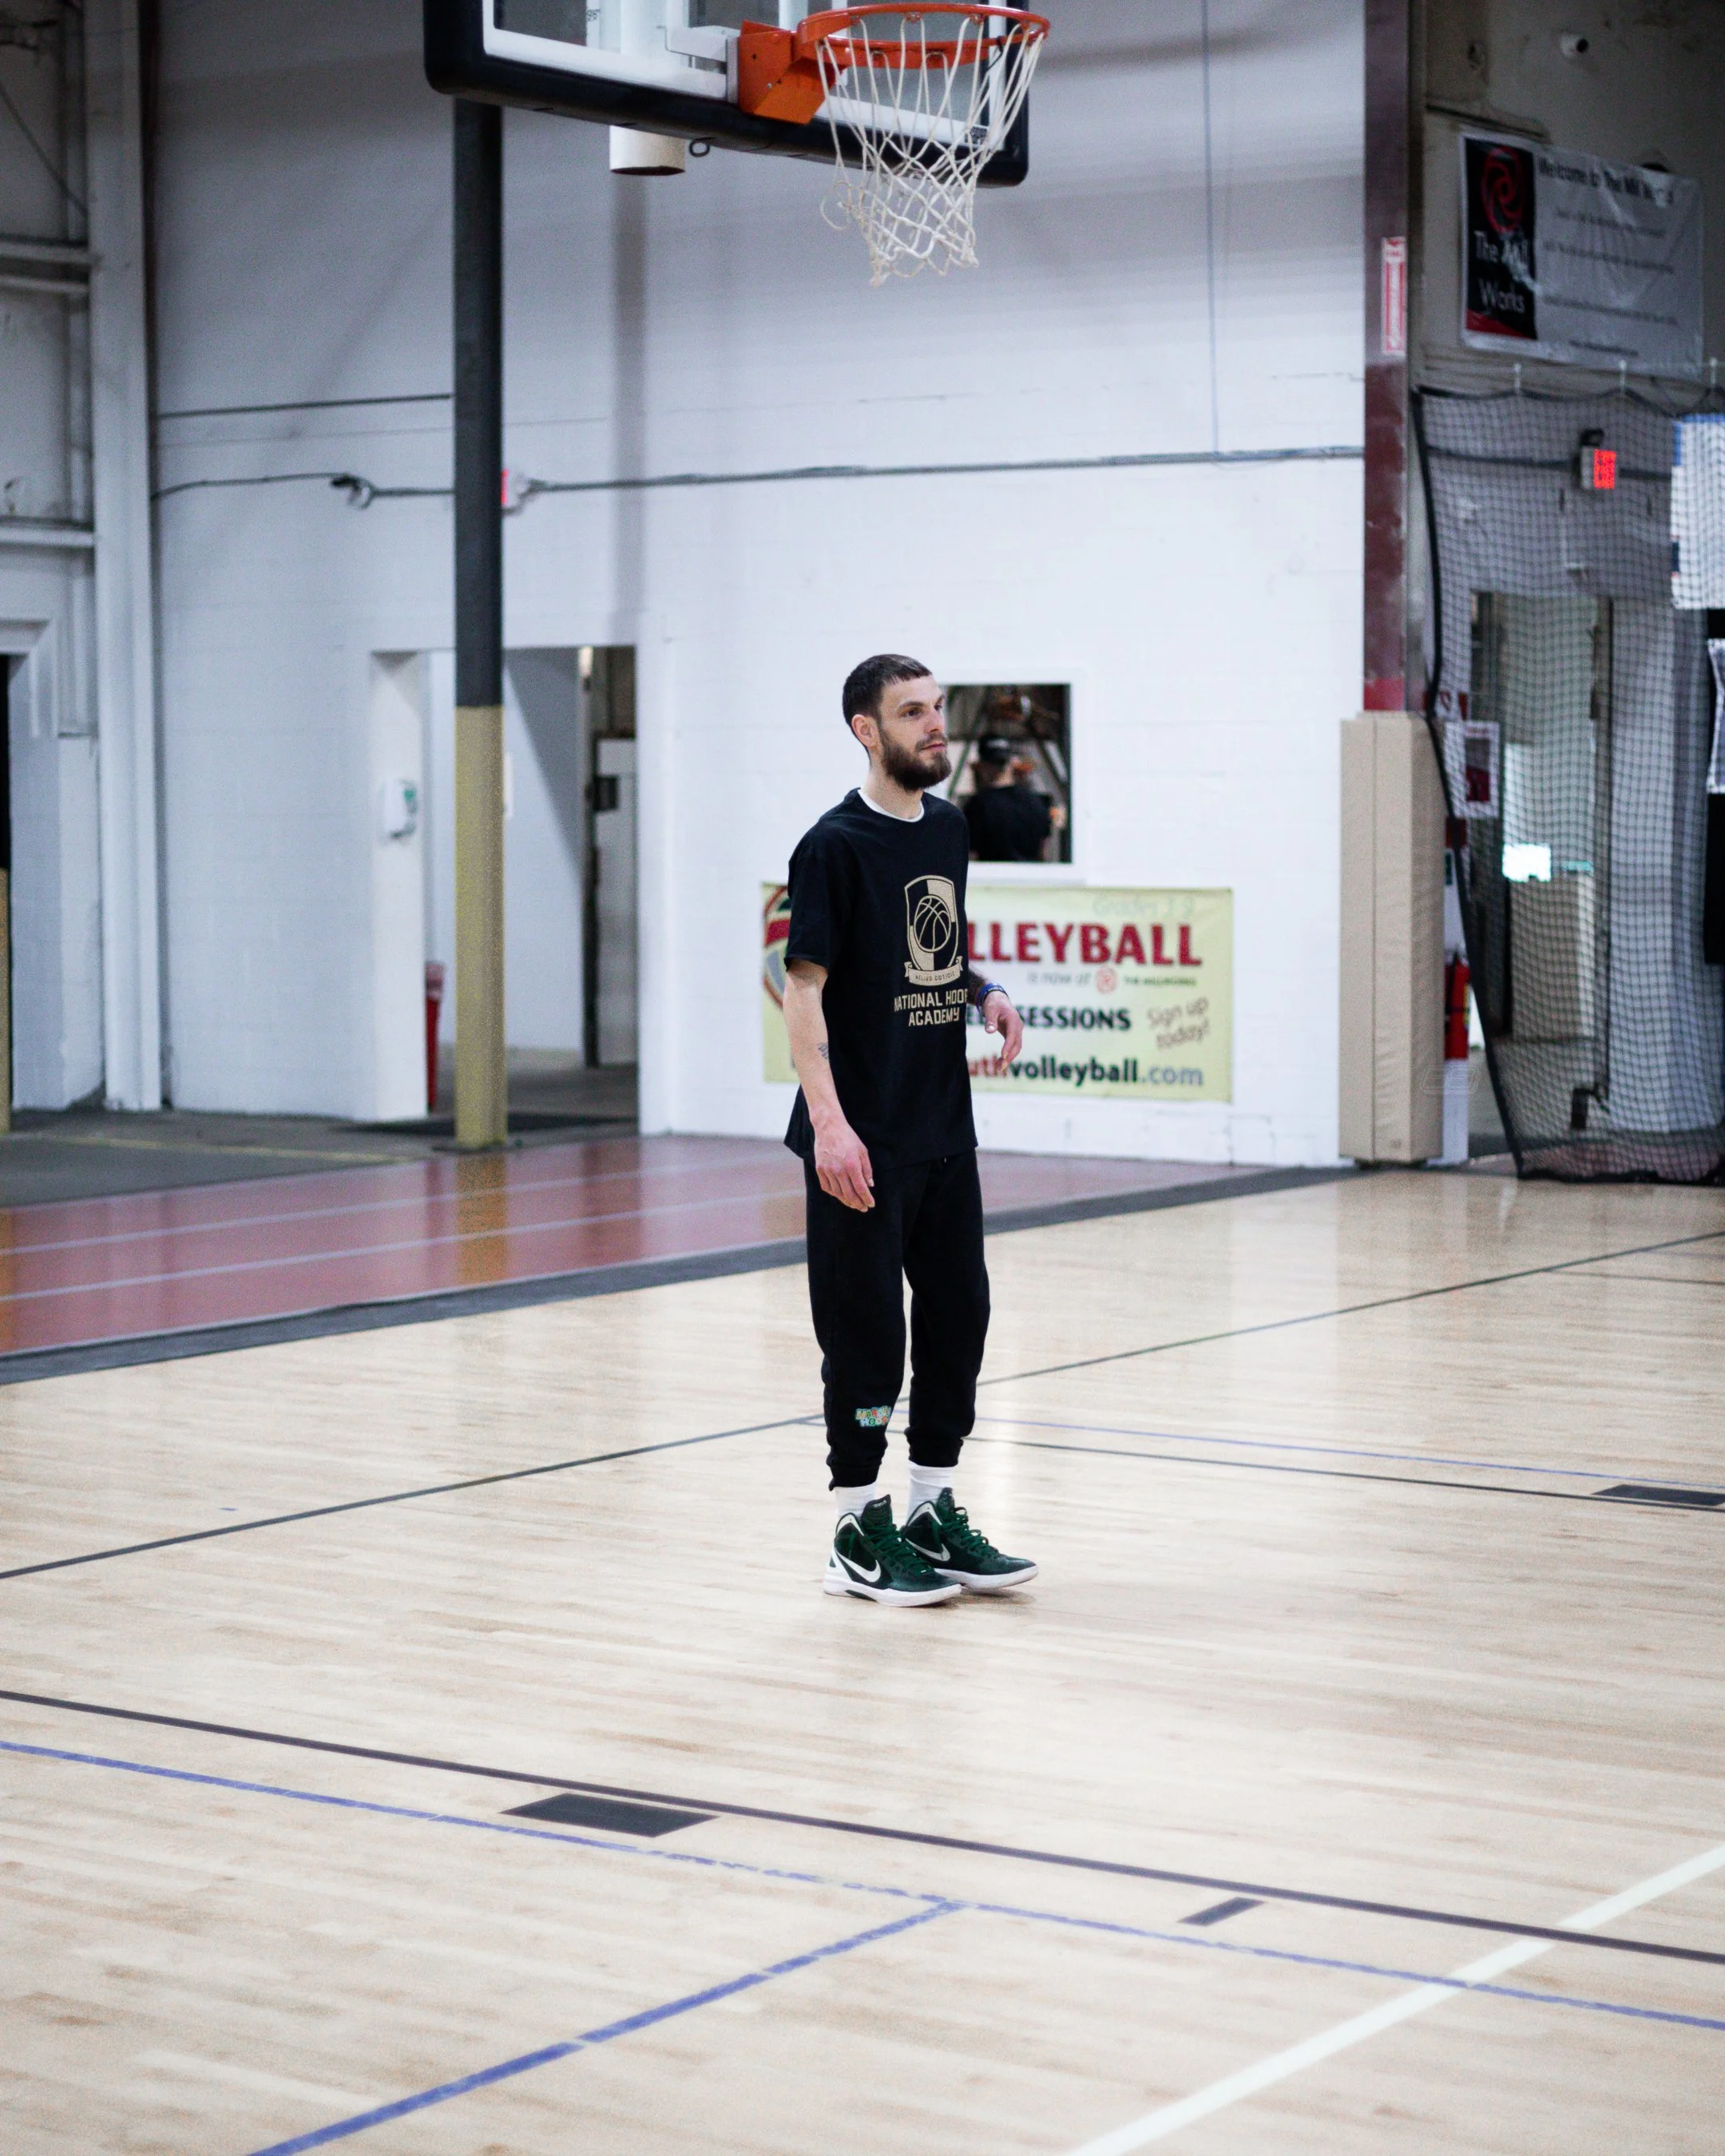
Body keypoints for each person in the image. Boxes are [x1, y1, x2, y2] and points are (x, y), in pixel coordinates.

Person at [781, 656, 1040, 1607]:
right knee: (865, 1336)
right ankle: (857, 1525)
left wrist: (986, 991)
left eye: (938, 709)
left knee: (959, 1317)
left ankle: (931, 1508)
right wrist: (831, 1127)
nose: (936, 726)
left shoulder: (950, 826)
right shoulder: (833, 846)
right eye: (914, 713)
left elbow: (936, 950)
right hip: (861, 1138)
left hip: (942, 1131)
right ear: (865, 729)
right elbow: (801, 993)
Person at [962, 736, 1065, 862]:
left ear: (983, 765)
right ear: (1011, 764)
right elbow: (1044, 852)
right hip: (1032, 878)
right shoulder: (1036, 802)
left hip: (991, 878)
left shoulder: (977, 805)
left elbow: (970, 855)